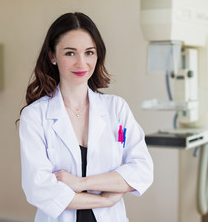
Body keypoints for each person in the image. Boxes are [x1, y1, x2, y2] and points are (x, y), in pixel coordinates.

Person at [19, 12, 153, 222]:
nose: (81, 63)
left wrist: (81, 183)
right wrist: (105, 200)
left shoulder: (116, 108)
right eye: (70, 53)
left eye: (89, 52)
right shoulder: (35, 116)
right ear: (52, 56)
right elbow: (39, 189)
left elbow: (142, 170)